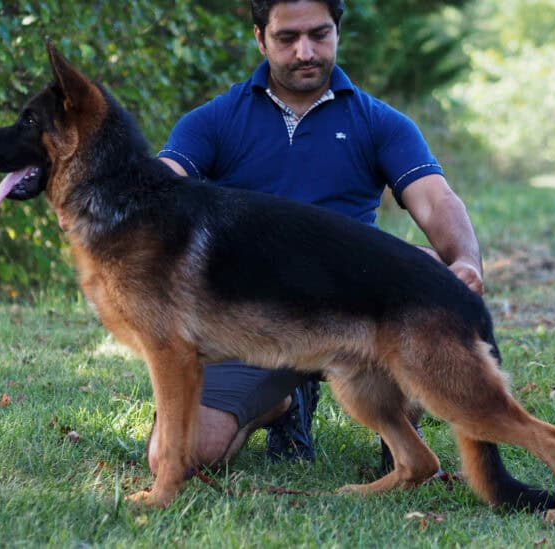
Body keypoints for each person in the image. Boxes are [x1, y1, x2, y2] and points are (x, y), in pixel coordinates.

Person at [147, 0, 484, 474]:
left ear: (337, 33)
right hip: (251, 319)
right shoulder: (215, 120)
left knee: (425, 270)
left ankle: (400, 443)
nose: (306, 52)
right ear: (260, 39)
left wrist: (465, 260)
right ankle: (281, 404)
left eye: (319, 35)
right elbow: (160, 185)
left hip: (356, 309)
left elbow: (434, 198)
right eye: (287, 39)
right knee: (180, 458)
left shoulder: (378, 121)